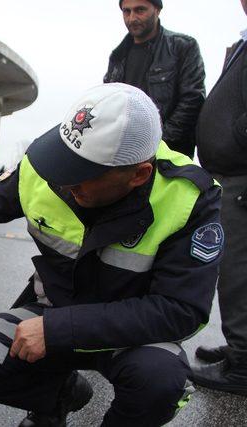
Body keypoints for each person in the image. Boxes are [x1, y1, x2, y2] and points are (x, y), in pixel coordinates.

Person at [0, 83, 222, 426]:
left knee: (158, 383)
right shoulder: (49, 168)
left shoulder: (190, 197)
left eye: (83, 173)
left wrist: (59, 329)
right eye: (65, 162)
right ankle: (59, 398)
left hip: (130, 332)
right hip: (54, 309)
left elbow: (181, 310)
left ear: (139, 175)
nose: (63, 180)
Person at [190, 0, 247, 397]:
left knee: (238, 272)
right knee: (233, 270)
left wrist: (233, 141)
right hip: (231, 173)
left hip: (241, 174)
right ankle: (240, 347)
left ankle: (243, 365)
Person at [104, 0, 206, 158]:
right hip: (126, 156)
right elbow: (109, 106)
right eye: (126, 11)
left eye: (140, 10)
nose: (132, 18)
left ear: (157, 10)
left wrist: (157, 143)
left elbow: (192, 100)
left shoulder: (182, 47)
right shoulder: (118, 56)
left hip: (169, 155)